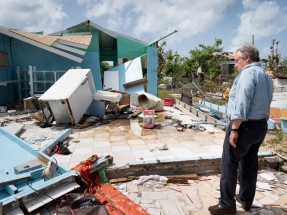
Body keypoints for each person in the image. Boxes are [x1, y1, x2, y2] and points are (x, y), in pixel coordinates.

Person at [208, 44, 273, 215]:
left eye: (237, 61)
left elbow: (242, 103)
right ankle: (245, 199)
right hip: (260, 125)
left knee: (229, 163)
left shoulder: (247, 74)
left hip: (243, 126)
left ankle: (226, 204)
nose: (235, 65)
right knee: (250, 164)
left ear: (247, 58)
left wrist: (235, 129)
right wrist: (233, 55)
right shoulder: (264, 75)